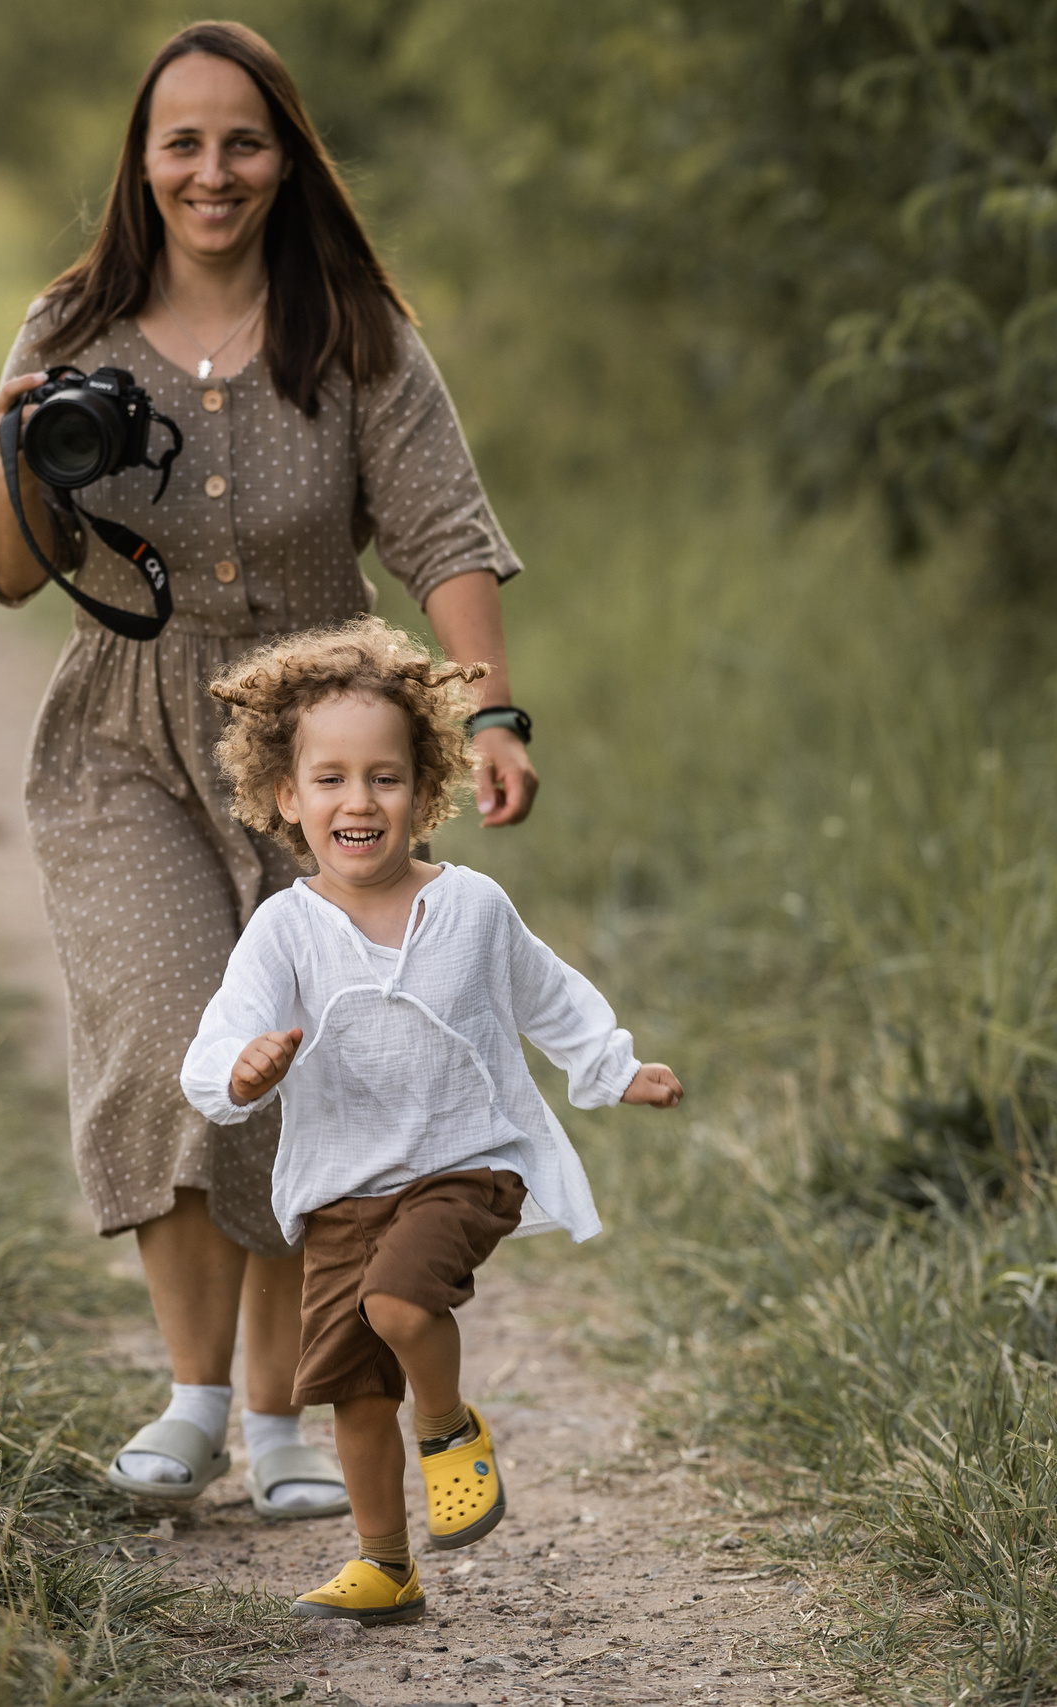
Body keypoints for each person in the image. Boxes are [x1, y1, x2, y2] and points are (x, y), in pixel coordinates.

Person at [0, 20, 540, 1519]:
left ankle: (283, 1413)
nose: (212, 171)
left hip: (318, 745)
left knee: (304, 1062)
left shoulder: (350, 332)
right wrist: (32, 458)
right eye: (183, 143)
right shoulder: (70, 326)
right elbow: (2, 571)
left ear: (285, 157)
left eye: (242, 141)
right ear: (142, 165)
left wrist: (488, 716)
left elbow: (445, 536)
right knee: (172, 1043)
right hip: (122, 738)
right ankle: (194, 1396)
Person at [181, 620, 683, 1625]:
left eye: (384, 778)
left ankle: (449, 1429)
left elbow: (549, 996)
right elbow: (221, 1040)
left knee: (401, 1307)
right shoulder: (284, 929)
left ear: (425, 788)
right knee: (353, 1393)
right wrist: (240, 1074)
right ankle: (384, 1565)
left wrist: (612, 1068)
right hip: (339, 1188)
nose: (357, 802)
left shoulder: (472, 907)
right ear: (285, 796)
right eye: (329, 780)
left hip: (464, 1161)